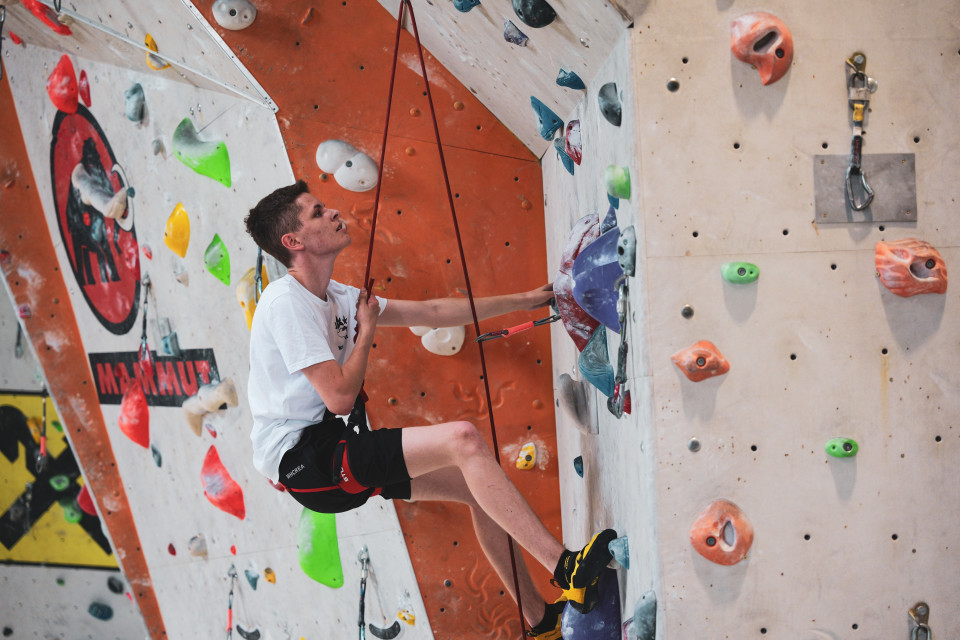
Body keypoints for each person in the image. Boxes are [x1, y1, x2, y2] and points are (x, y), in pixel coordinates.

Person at [244, 180, 616, 638]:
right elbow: (339, 397)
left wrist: (528, 299)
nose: (334, 212)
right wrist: (365, 332)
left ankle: (541, 623)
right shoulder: (285, 304)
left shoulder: (339, 295)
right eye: (318, 212)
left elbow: (435, 312)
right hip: (305, 462)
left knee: (474, 486)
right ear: (294, 242)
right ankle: (566, 567)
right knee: (463, 439)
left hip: (327, 449)